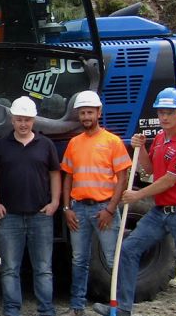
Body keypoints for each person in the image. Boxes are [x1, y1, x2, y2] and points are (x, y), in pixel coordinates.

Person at [93, 88, 176, 316]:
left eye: (169, 113)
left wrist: (138, 195)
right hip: (160, 212)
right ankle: (123, 308)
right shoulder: (161, 138)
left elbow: (170, 180)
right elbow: (150, 168)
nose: (164, 117)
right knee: (129, 250)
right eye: (161, 112)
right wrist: (140, 148)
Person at [0, 97, 60, 316]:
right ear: (12, 120)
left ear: (33, 120)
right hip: (10, 217)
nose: (23, 124)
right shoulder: (1, 146)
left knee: (43, 269)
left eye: (27, 120)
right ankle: (11, 311)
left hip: (41, 215)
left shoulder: (46, 145)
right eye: (19, 119)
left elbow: (55, 174)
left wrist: (55, 202)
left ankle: (46, 310)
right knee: (9, 269)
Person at [60, 90, 131, 316]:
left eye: (90, 112)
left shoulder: (113, 142)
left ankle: (120, 307)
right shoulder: (73, 143)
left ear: (99, 113)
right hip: (78, 208)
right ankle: (77, 307)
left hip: (104, 208)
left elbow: (122, 178)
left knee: (113, 259)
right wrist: (66, 208)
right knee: (79, 260)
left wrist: (111, 209)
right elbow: (68, 177)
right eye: (82, 113)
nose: (86, 117)